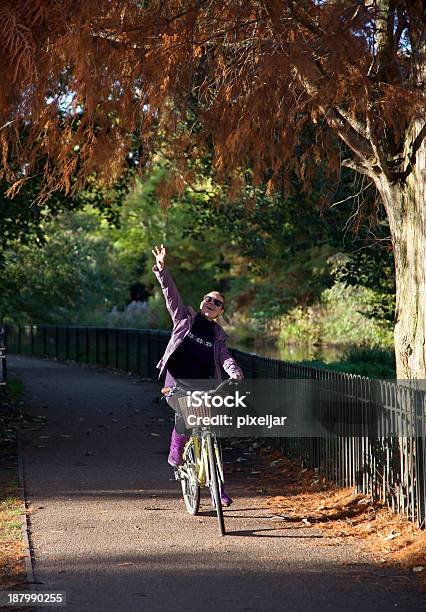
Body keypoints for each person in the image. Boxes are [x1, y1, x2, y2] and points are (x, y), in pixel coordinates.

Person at [152, 244, 244, 506]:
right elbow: (171, 295)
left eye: (218, 303)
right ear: (202, 302)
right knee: (185, 414)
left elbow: (225, 358)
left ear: (221, 311)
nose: (211, 304)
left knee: (212, 437)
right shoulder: (184, 318)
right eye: (208, 299)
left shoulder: (218, 335)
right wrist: (162, 270)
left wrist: (234, 373)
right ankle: (176, 452)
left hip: (203, 387)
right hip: (176, 384)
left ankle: (218, 490)